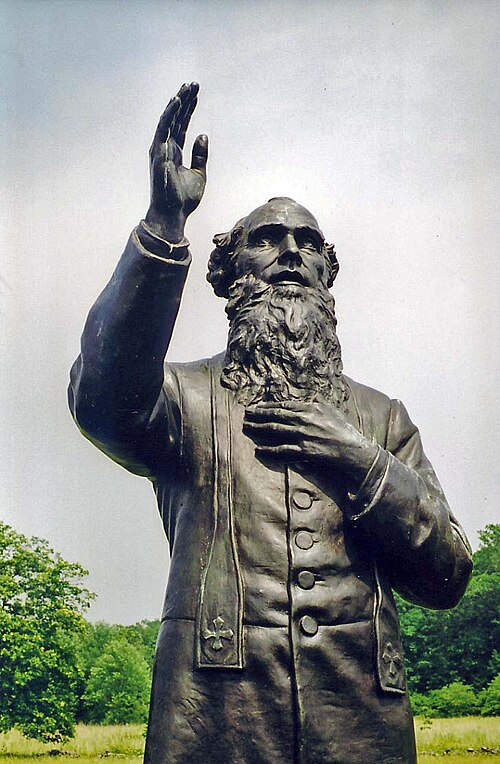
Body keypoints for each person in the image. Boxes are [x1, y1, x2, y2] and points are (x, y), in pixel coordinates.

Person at [69, 83, 472, 764]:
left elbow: (447, 575)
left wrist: (360, 458)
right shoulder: (182, 398)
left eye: (308, 243)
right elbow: (103, 400)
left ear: (326, 273)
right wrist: (162, 229)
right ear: (230, 274)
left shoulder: (382, 418)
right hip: (220, 725)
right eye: (267, 239)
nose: (291, 250)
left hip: (362, 729)